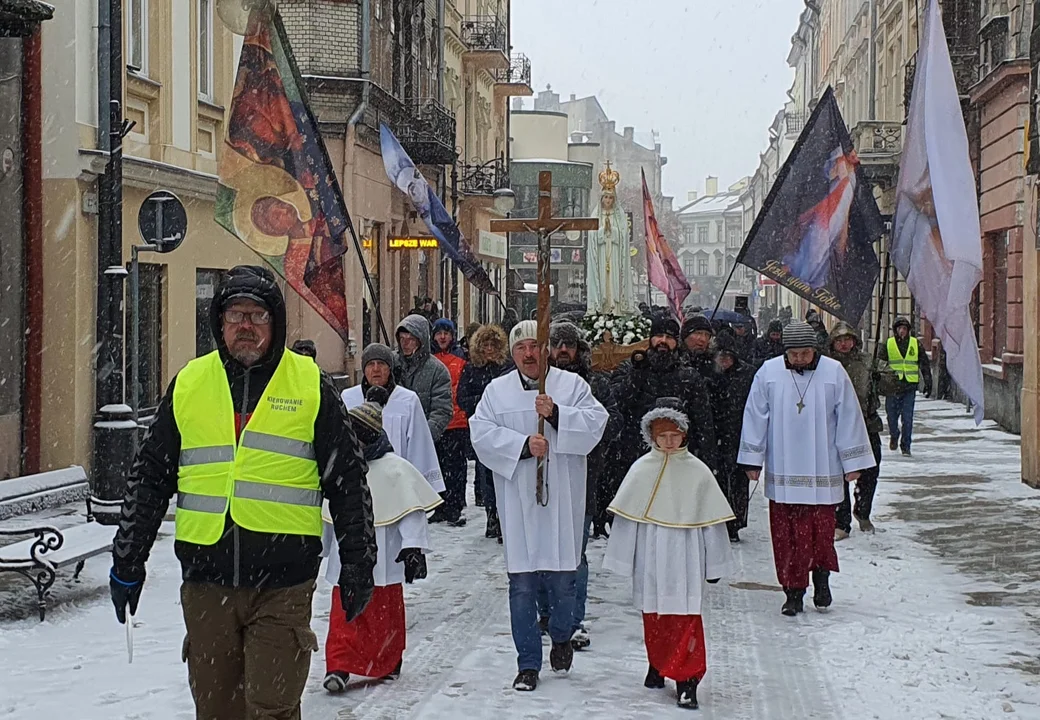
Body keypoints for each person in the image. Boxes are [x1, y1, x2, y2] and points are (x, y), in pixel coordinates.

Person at [108, 265, 377, 720]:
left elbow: (348, 481)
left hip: (283, 583)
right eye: (235, 315)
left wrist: (358, 562)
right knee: (216, 710)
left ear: (276, 322)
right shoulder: (191, 383)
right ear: (219, 323)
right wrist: (128, 558)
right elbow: (151, 476)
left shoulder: (310, 385)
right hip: (207, 581)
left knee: (271, 709)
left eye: (257, 316)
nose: (246, 326)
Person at [470, 320, 608, 692]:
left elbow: (597, 424)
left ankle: (562, 635)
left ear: (545, 349)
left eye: (534, 346)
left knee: (564, 582)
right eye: (520, 348)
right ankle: (527, 663)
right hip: (519, 503)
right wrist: (520, 447)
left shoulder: (571, 386)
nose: (528, 354)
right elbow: (480, 433)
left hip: (561, 499)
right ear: (512, 353)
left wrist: (559, 415)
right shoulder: (496, 392)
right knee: (522, 586)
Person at [604, 399, 734, 710]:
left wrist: (715, 562)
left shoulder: (698, 472)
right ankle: (658, 664)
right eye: (662, 437)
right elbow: (628, 520)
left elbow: (710, 522)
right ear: (652, 436)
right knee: (655, 615)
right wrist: (622, 558)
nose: (669, 442)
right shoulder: (640, 469)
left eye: (674, 436)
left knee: (685, 617)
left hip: (685, 554)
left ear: (684, 435)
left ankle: (687, 679)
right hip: (651, 552)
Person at [738, 321, 875, 616]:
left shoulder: (834, 373)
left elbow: (849, 418)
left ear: (815, 350)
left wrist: (853, 463)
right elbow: (755, 416)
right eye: (794, 354)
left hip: (822, 468)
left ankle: (821, 578)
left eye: (805, 353)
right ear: (785, 352)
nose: (799, 359)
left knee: (820, 533)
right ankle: (793, 590)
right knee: (786, 536)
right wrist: (752, 459)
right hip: (784, 468)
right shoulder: (768, 373)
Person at [322, 386, 442, 693]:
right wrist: (318, 548)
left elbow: (411, 511)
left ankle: (387, 661)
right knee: (345, 611)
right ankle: (338, 666)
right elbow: (326, 514)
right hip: (346, 557)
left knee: (383, 617)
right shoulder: (341, 468)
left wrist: (413, 547)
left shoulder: (397, 469)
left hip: (386, 558)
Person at [542, 320, 622, 651]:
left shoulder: (595, 384)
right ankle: (548, 614)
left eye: (568, 344)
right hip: (543, 478)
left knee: (576, 552)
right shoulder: (538, 383)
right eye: (557, 344)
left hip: (583, 478)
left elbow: (610, 423)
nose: (563, 350)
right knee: (543, 550)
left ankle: (573, 619)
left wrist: (575, 430)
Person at [613, 316, 717, 482]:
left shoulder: (688, 375)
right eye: (659, 336)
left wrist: (707, 461)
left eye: (669, 337)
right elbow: (618, 403)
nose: (663, 341)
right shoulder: (630, 368)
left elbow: (703, 422)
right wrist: (637, 374)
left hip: (677, 456)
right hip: (636, 455)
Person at [344, 343, 445, 494]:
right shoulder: (348, 398)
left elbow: (419, 446)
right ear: (364, 369)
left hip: (397, 485)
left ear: (390, 368)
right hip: (358, 483)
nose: (376, 369)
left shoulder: (408, 400)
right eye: (371, 364)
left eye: (382, 364)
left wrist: (421, 489)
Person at [826, 322, 884, 539]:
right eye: (839, 340)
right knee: (839, 474)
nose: (844, 344)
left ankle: (862, 510)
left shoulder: (866, 362)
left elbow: (893, 384)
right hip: (837, 426)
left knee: (870, 470)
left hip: (866, 425)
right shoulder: (826, 364)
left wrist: (881, 378)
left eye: (847, 340)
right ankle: (841, 522)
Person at [457, 324, 514, 542]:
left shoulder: (506, 368)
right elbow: (462, 398)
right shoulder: (472, 370)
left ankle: (503, 516)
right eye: (485, 345)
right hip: (482, 428)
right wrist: (484, 401)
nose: (489, 349)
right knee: (485, 475)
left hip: (505, 427)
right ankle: (492, 514)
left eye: (493, 345)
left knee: (503, 473)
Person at [711, 332, 756, 543]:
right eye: (720, 356)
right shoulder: (711, 375)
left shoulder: (747, 374)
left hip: (740, 435)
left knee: (738, 482)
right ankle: (720, 520)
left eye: (728, 356)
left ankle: (736, 522)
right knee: (718, 481)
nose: (724, 360)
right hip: (715, 435)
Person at [430, 318, 470, 526]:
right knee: (437, 467)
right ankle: (439, 505)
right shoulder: (430, 359)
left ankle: (455, 505)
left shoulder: (461, 359)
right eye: (439, 333)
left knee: (455, 467)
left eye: (446, 333)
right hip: (437, 422)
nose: (442, 337)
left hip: (457, 422)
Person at [395, 314, 453, 443]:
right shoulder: (391, 364)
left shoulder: (437, 370)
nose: (405, 343)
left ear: (421, 340)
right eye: (402, 338)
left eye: (410, 339)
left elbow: (441, 410)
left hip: (423, 442)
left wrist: (423, 437)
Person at [885, 316, 932, 457]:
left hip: (909, 387)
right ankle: (894, 434)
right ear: (895, 330)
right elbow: (880, 363)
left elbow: (924, 363)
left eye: (904, 329)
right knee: (891, 417)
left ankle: (906, 446)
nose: (902, 331)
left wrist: (928, 381)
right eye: (899, 328)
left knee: (907, 418)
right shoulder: (888, 344)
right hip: (892, 387)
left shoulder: (915, 344)